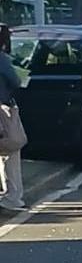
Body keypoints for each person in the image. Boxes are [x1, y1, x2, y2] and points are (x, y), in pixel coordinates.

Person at [0, 23, 25, 213]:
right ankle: (13, 196)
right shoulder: (2, 59)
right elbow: (16, 81)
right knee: (10, 152)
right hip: (3, 109)